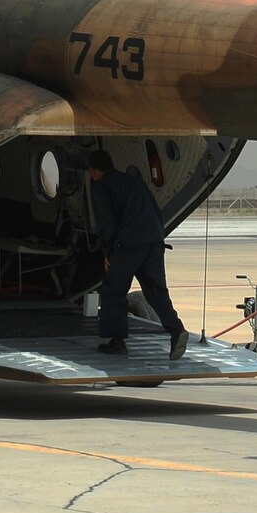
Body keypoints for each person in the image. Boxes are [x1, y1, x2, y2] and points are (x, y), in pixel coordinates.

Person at [86, 148, 188, 359]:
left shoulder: (101, 186)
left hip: (128, 243)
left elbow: (106, 222)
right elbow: (155, 210)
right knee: (156, 291)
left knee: (113, 290)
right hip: (154, 240)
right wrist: (157, 239)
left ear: (94, 170)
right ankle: (176, 329)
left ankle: (117, 341)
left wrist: (108, 252)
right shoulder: (134, 182)